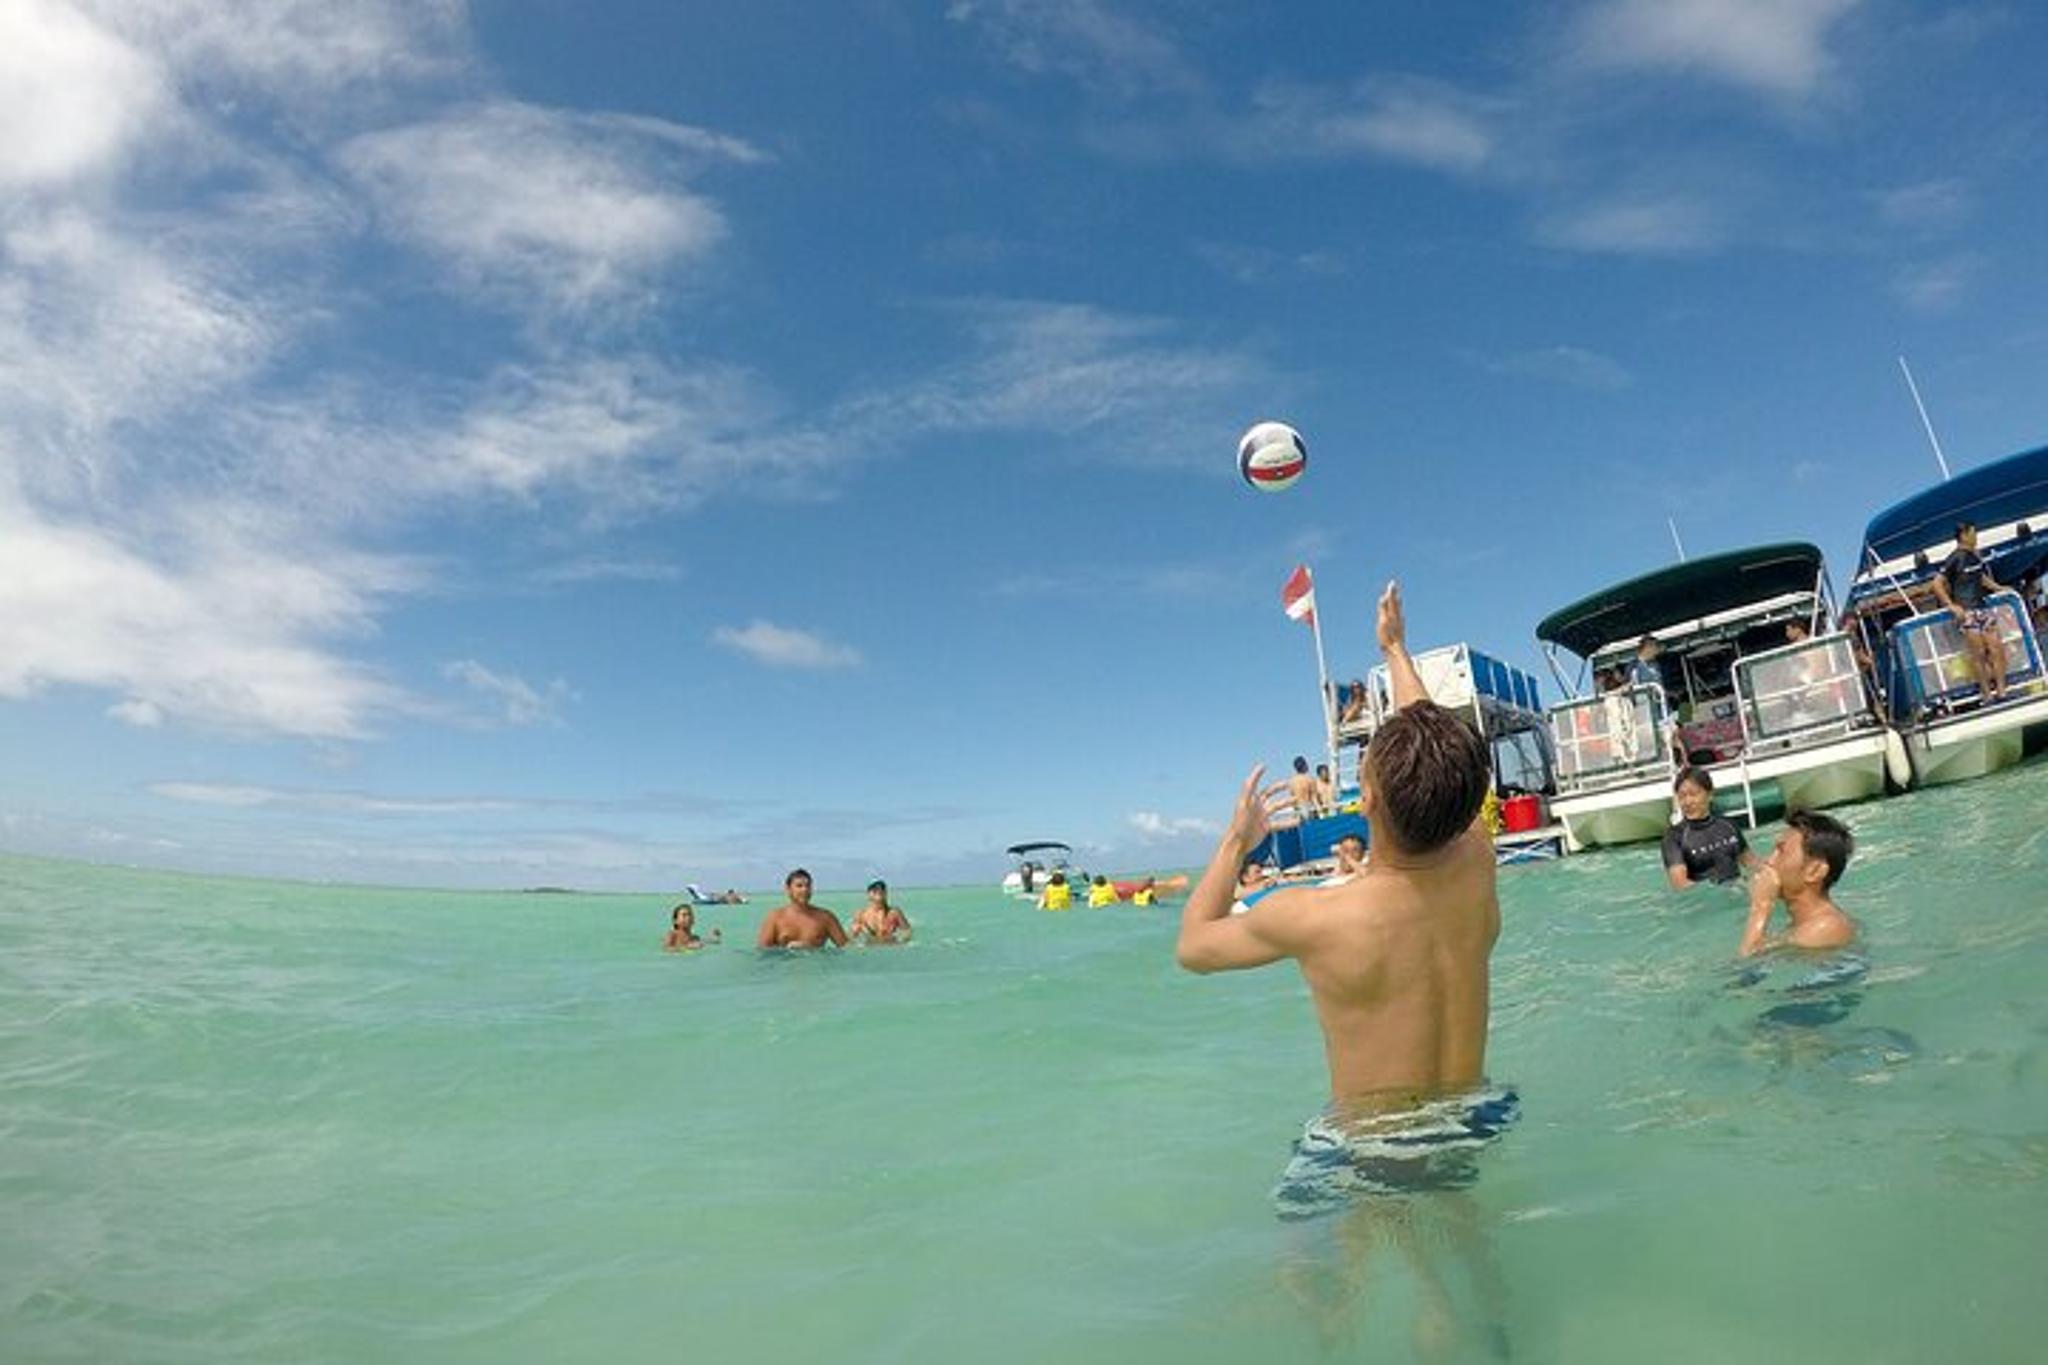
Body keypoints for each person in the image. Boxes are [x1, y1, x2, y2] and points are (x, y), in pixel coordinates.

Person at [1177, 579, 1512, 1176]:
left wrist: (1235, 842)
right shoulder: (1478, 861)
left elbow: (1194, 948)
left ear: (1368, 801)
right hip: (1476, 1115)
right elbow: (1440, 759)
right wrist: (1395, 650)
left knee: (1316, 1239)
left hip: (1378, 1145)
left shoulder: (1318, 916)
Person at [1738, 810, 1857, 957]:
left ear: (1815, 871)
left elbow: (1748, 961)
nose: (1768, 862)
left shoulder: (1825, 927)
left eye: (1781, 852)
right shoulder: (1803, 926)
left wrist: (1761, 906)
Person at [1931, 521, 2011, 702]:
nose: (1976, 537)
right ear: (1964, 535)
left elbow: (1980, 577)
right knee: (1979, 654)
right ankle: (1986, 694)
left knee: (1996, 648)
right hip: (1967, 612)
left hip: (1982, 607)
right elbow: (1936, 584)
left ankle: (2002, 691)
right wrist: (1951, 605)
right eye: (1973, 533)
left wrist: (1999, 588)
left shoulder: (1975, 556)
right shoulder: (1954, 558)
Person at [1661, 766, 1755, 888]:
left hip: (1738, 890)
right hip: (1706, 897)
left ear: (1710, 795)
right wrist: (1727, 891)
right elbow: (1681, 884)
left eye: (1693, 794)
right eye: (1682, 796)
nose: (1688, 802)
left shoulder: (1729, 826)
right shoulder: (1674, 837)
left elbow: (1751, 863)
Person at [755, 869, 849, 949]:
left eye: (808, 886)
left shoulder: (826, 918)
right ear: (788, 889)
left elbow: (846, 948)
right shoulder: (775, 918)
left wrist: (810, 948)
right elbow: (763, 952)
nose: (805, 890)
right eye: (799, 886)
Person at [849, 879, 912, 944]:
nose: (879, 890)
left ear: (886, 893)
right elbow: (851, 936)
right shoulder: (861, 914)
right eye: (874, 889)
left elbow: (908, 931)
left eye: (882, 888)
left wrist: (902, 940)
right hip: (870, 946)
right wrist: (856, 932)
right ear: (868, 894)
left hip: (891, 945)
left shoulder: (894, 913)